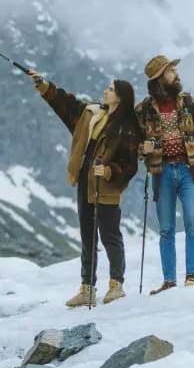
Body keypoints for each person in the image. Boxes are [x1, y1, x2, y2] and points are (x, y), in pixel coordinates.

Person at [27, 70, 143, 307]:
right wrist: (44, 85)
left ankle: (116, 285)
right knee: (87, 236)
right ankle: (87, 288)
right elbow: (66, 104)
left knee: (110, 235)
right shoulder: (91, 113)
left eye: (110, 89)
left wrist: (110, 171)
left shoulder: (128, 127)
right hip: (84, 181)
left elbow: (130, 165)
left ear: (120, 97)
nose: (105, 91)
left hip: (106, 188)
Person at [136, 55, 194, 294]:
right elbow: (133, 144)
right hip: (161, 174)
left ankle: (192, 276)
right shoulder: (143, 110)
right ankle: (169, 281)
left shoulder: (189, 102)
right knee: (166, 229)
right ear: (160, 78)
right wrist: (143, 148)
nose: (176, 74)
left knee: (193, 222)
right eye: (171, 70)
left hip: (188, 171)